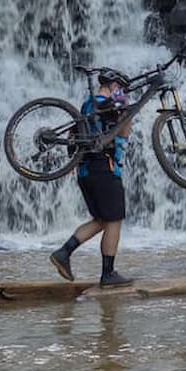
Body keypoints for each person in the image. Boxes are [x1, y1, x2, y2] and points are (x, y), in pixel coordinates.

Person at [49, 69, 135, 287]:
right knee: (114, 219)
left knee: (101, 220)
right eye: (121, 89)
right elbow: (123, 135)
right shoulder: (105, 105)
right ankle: (108, 274)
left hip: (86, 171)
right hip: (104, 168)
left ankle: (63, 253)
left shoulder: (88, 106)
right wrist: (126, 112)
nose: (123, 93)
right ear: (114, 86)